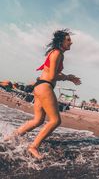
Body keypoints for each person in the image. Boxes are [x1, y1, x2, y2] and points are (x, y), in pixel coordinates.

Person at [10, 29, 81, 159]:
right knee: (55, 120)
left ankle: (12, 136)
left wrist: (68, 77)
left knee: (38, 120)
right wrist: (68, 77)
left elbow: (48, 72)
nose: (71, 42)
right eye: (68, 40)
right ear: (61, 41)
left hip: (40, 86)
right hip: (45, 87)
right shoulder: (58, 53)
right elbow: (53, 75)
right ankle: (33, 146)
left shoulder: (54, 52)